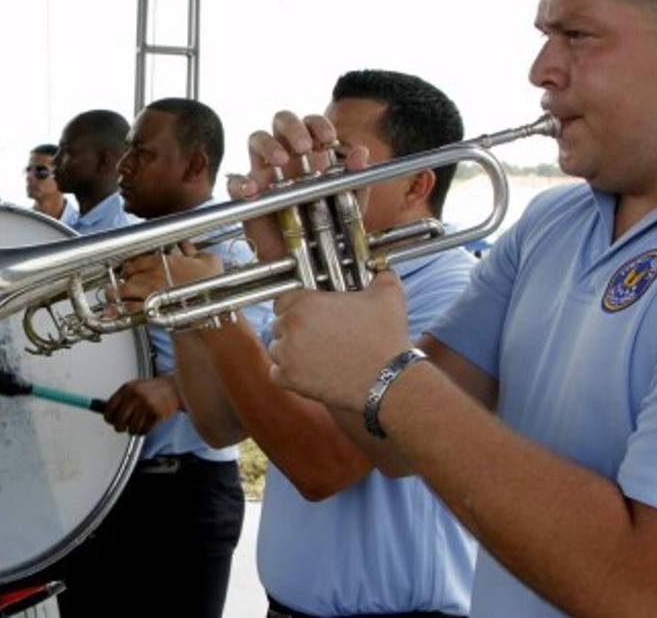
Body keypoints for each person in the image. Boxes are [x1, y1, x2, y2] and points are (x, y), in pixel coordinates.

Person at [253, 0, 657, 615]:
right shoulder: (549, 224)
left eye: (577, 35)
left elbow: (656, 590)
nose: (542, 70)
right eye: (545, 36)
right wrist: (308, 249)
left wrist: (386, 378)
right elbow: (394, 443)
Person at [120, 71, 478, 617]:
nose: (312, 174)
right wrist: (192, 310)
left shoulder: (449, 287)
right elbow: (221, 422)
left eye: (338, 158)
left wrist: (215, 313)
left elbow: (324, 465)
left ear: (416, 185)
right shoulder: (323, 274)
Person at [56, 98, 269, 618]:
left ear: (195, 166)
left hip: (182, 492)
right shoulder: (124, 238)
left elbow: (260, 360)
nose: (124, 167)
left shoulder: (233, 249)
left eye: (143, 154)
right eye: (127, 152)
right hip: (106, 490)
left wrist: (174, 390)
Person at [52, 109, 132, 232]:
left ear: (103, 161)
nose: (55, 161)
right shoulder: (80, 221)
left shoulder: (117, 232)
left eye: (67, 151)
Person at [25, 142, 77, 225]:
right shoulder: (17, 224)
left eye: (41, 171)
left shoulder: (84, 230)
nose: (29, 177)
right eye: (28, 170)